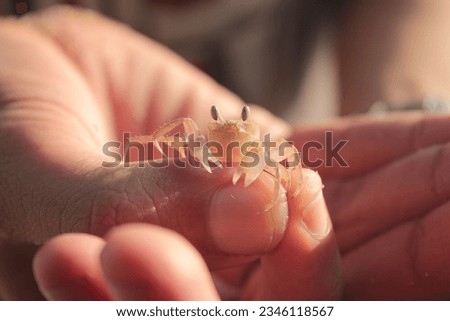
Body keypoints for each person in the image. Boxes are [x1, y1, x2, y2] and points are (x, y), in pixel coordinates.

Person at [0, 1, 449, 300]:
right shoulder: (207, 130)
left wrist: (396, 108)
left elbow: (285, 163)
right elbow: (183, 137)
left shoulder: (255, 138)